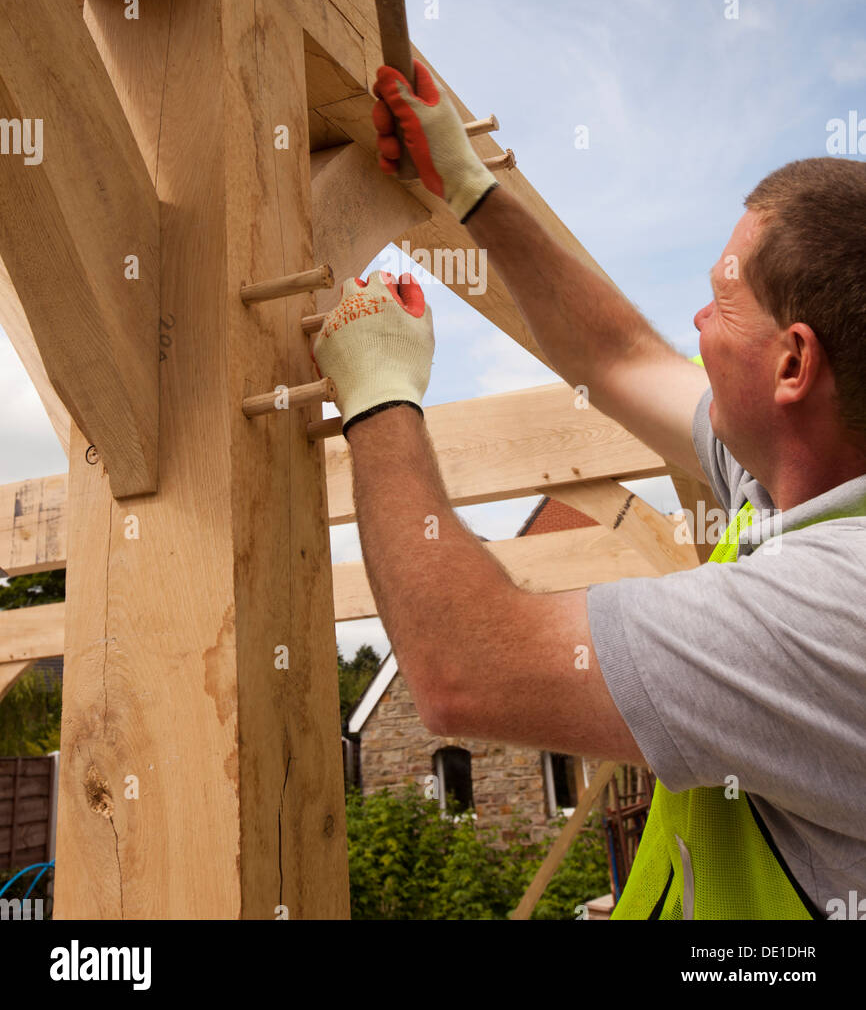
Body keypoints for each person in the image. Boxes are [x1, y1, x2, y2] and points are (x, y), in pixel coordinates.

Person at [312, 59, 866, 920]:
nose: (694, 324)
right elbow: (620, 358)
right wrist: (471, 188)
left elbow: (462, 669)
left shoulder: (834, 605)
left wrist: (380, 396)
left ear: (793, 363)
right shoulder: (791, 477)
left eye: (721, 302)